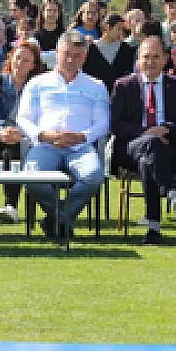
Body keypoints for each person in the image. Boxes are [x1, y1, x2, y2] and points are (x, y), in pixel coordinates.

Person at [17, 30, 110, 239]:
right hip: (45, 145)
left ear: (84, 57)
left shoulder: (96, 86)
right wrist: (44, 135)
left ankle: (57, 219)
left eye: (77, 55)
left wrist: (81, 137)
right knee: (31, 178)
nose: (70, 60)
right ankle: (60, 218)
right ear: (56, 52)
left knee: (93, 177)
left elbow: (103, 123)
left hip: (80, 146)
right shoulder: (37, 83)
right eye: (66, 53)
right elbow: (23, 118)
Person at [109, 37, 176, 243]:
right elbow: (116, 125)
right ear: (138, 61)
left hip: (171, 149)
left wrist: (164, 130)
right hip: (130, 149)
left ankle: (154, 228)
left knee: (150, 158)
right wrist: (147, 132)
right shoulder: (123, 86)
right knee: (150, 146)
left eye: (156, 57)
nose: (151, 62)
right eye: (146, 57)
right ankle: (174, 194)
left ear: (165, 59)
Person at [0, 41, 45, 224]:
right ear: (11, 59)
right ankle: (11, 205)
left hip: (28, 134)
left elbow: (41, 115)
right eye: (18, 58)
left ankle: (12, 205)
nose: (20, 63)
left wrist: (20, 132)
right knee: (8, 151)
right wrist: (4, 129)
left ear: (33, 65)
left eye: (26, 60)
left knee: (16, 148)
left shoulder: (37, 86)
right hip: (1, 132)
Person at [82, 12, 135, 97]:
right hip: (94, 96)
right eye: (118, 29)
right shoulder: (91, 49)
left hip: (120, 97)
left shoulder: (126, 49)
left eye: (123, 29)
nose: (121, 33)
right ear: (108, 27)